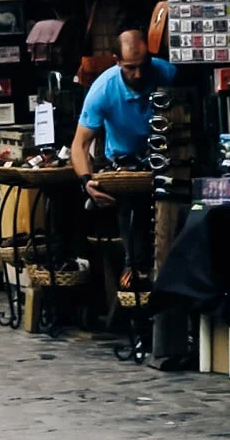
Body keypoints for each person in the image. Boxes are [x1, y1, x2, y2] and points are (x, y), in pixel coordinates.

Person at [70, 29, 177, 292]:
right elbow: (79, 144)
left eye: (143, 66)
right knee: (133, 214)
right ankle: (135, 276)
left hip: (166, 157)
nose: (138, 75)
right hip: (125, 163)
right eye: (130, 68)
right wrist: (86, 181)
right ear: (116, 61)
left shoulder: (166, 73)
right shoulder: (103, 90)